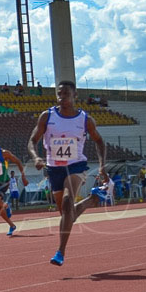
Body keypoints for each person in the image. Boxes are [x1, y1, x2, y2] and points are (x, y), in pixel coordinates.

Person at [28, 80, 107, 266]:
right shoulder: (47, 116)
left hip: (76, 166)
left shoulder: (85, 120)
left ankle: (60, 252)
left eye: (66, 94)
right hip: (54, 168)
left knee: (66, 202)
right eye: (59, 94)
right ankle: (91, 201)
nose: (62, 97)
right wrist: (35, 158)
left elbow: (100, 141)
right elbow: (32, 141)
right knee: (66, 213)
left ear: (75, 96)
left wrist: (102, 165)